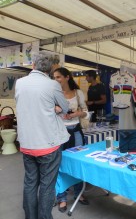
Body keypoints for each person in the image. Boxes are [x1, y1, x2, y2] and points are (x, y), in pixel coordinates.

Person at [15, 52, 70, 219]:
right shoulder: (52, 85)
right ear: (51, 69)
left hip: (26, 143)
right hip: (48, 144)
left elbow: (27, 105)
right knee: (47, 186)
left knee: (30, 183)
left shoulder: (20, 83)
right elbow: (65, 107)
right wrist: (55, 109)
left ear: (33, 65)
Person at [53, 67, 90, 213]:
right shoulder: (53, 94)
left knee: (77, 163)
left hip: (76, 132)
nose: (56, 80)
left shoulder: (78, 92)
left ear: (67, 77)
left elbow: (86, 113)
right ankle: (61, 198)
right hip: (59, 134)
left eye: (58, 77)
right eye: (54, 77)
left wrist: (78, 113)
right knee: (59, 165)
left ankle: (78, 193)